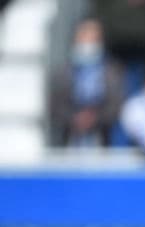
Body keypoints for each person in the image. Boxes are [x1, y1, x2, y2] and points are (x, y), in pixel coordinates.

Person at [48, 17, 125, 148]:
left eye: (93, 38)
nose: (88, 42)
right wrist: (74, 118)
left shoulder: (112, 71)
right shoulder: (62, 71)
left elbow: (116, 105)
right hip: (68, 139)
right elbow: (55, 104)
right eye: (84, 37)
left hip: (101, 139)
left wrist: (95, 118)